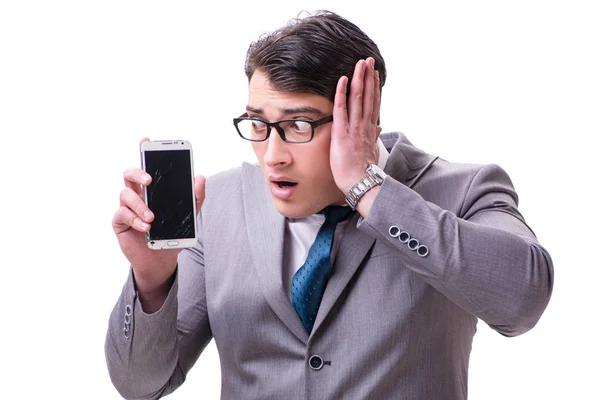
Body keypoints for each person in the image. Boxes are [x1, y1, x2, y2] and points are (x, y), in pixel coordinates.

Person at [105, 10, 553, 400]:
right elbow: (141, 384)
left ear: (365, 117)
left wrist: (370, 190)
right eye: (258, 124)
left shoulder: (464, 189)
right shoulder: (217, 205)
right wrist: (152, 280)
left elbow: (522, 303)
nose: (273, 155)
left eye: (298, 124)